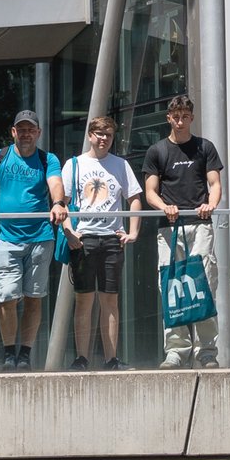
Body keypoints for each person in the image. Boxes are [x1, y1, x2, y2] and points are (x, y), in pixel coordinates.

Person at [0, 110, 66, 369]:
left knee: (34, 297)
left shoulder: (47, 159)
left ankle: (25, 355)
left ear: (38, 133)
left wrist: (58, 203)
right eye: (21, 129)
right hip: (6, 238)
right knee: (7, 297)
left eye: (30, 129)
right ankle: (9, 353)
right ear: (13, 132)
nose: (26, 133)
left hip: (41, 237)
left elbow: (55, 183)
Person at [143, 95, 223, 369]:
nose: (180, 120)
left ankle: (207, 350)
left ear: (192, 117)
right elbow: (150, 192)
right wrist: (165, 207)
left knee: (204, 285)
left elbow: (214, 183)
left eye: (185, 115)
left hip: (200, 224)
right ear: (169, 118)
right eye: (175, 116)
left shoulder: (204, 147)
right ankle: (176, 350)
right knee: (171, 286)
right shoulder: (157, 150)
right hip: (169, 227)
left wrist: (210, 205)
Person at [60, 115, 141, 370]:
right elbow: (61, 202)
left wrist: (133, 232)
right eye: (99, 133)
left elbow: (135, 198)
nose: (103, 138)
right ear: (90, 135)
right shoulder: (74, 164)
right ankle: (81, 358)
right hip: (83, 240)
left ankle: (111, 359)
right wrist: (69, 232)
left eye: (108, 134)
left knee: (110, 299)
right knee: (84, 299)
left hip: (112, 239)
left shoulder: (120, 165)